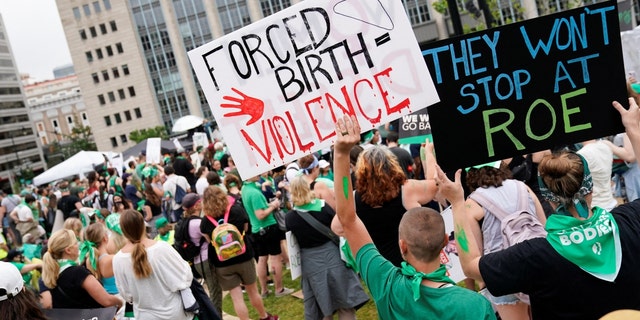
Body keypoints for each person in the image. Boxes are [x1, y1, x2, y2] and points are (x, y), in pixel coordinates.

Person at [433, 97, 640, 319]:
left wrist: (457, 202)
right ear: (590, 190)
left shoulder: (534, 256)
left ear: (548, 198)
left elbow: (470, 266)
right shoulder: (629, 221)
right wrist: (633, 129)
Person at [333, 115, 495, 319]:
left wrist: (341, 153)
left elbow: (346, 220)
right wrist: (428, 155)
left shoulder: (386, 286)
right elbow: (434, 183)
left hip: (386, 266)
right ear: (445, 241)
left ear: (403, 245)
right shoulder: (476, 306)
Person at [464, 161, 546, 319]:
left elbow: (476, 254)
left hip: (502, 271)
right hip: (537, 264)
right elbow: (544, 226)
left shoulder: (472, 203)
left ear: (471, 173)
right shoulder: (523, 187)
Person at [343, 132, 438, 266]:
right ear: (391, 164)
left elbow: (337, 226)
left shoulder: (354, 199)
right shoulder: (407, 190)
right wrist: (428, 152)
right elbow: (435, 183)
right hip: (413, 264)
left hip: (381, 268)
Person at [286, 176, 369, 320]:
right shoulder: (323, 207)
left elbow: (293, 243)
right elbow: (336, 228)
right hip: (334, 257)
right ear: (308, 188)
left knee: (323, 306)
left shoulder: (290, 218)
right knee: (345, 303)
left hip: (311, 263)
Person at [201, 186, 278, 320]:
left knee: (236, 297)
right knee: (253, 291)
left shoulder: (205, 221)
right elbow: (246, 229)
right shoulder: (236, 210)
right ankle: (264, 316)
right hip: (244, 256)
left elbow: (210, 241)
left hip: (223, 262)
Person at [113, 209, 194, 320]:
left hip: (145, 316)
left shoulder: (118, 259)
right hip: (173, 313)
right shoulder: (161, 248)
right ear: (143, 225)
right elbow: (185, 277)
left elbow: (127, 294)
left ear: (123, 231)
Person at [39, 229, 122, 309]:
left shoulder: (49, 274)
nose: (78, 245)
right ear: (68, 250)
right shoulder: (77, 272)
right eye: (75, 243)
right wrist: (120, 302)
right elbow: (107, 301)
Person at [240, 175, 293, 298]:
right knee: (275, 259)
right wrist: (274, 206)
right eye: (256, 173)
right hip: (268, 227)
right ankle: (279, 289)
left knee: (262, 259)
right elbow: (261, 214)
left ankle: (264, 291)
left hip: (257, 230)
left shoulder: (245, 189)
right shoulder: (254, 193)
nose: (259, 174)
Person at [181, 193, 223, 315]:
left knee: (213, 290)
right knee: (215, 291)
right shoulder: (197, 223)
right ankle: (216, 317)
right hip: (205, 260)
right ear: (196, 206)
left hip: (199, 260)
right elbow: (210, 239)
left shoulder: (188, 221)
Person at [80, 223, 118, 294]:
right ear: (105, 237)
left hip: (105, 297)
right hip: (119, 297)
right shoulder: (112, 259)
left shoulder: (90, 260)